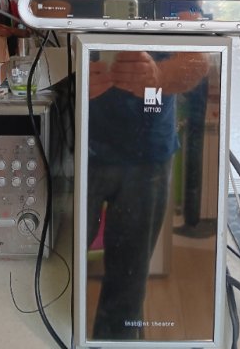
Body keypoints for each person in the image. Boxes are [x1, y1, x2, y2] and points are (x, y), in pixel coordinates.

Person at [86, 48, 210, 340]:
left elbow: (201, 60)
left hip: (146, 154)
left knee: (127, 288)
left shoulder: (178, 10)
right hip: (77, 146)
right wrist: (73, 79)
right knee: (55, 270)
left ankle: (119, 342)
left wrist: (157, 76)